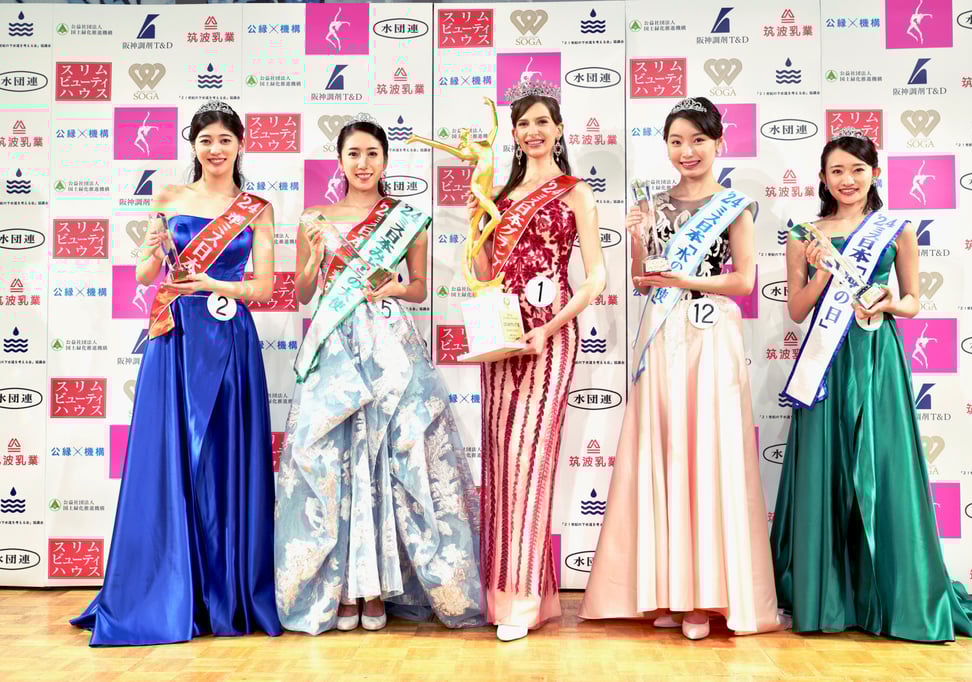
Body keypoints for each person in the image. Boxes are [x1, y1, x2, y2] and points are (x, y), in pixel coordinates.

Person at [771, 128, 972, 641]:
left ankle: (897, 597)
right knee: (827, 473)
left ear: (875, 173)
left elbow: (913, 300)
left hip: (877, 356)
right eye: (837, 171)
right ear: (824, 178)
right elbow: (796, 309)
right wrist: (822, 274)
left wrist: (887, 302)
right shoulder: (804, 234)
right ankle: (827, 601)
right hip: (826, 363)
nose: (847, 180)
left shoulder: (895, 228)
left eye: (857, 169)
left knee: (884, 469)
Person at [71, 100, 281, 645]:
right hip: (175, 339)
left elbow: (263, 289)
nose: (216, 149)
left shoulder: (257, 207)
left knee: (224, 461)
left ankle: (225, 594)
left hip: (230, 337)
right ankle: (172, 592)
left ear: (240, 144)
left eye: (225, 140)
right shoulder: (167, 197)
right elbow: (146, 274)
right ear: (193, 145)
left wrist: (214, 286)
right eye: (206, 139)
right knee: (174, 461)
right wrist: (152, 250)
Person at [579, 97, 784, 640]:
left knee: (707, 456)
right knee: (663, 452)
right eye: (676, 141)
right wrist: (639, 238)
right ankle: (665, 590)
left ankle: (704, 597)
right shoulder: (655, 203)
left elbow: (743, 283)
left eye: (697, 139)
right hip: (663, 333)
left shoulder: (735, 205)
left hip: (711, 335)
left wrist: (687, 282)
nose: (686, 151)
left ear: (718, 143)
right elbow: (644, 280)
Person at [274, 115, 485, 634]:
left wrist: (389, 288)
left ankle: (379, 589)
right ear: (340, 160)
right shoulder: (314, 218)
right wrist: (313, 264)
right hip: (334, 347)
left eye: (372, 153)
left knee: (391, 460)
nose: (363, 163)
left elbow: (418, 290)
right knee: (334, 462)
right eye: (353, 154)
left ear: (385, 160)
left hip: (390, 345)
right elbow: (303, 294)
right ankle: (344, 590)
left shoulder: (406, 218)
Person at [466, 82, 606, 642]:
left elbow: (595, 277)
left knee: (530, 460)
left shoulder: (575, 192)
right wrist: (475, 211)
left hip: (550, 337)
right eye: (523, 123)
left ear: (559, 129)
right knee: (501, 464)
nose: (533, 131)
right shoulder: (497, 197)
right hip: (502, 335)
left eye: (543, 121)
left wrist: (549, 326)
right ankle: (509, 594)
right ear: (515, 134)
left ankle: (522, 600)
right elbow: (480, 272)